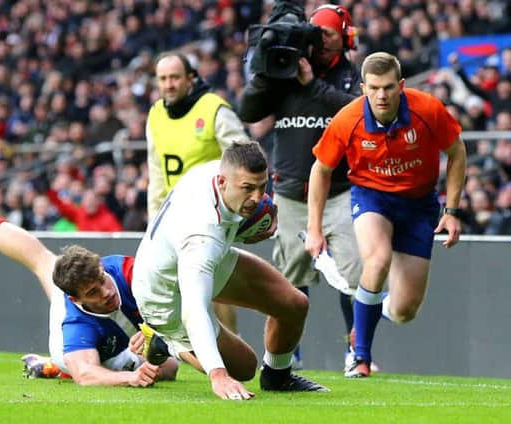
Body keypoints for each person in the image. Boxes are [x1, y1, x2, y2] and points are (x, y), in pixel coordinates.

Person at [305, 52, 467, 378]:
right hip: (371, 198)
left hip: (420, 205)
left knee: (405, 311)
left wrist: (451, 211)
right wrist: (314, 228)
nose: (382, 95)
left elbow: (457, 151)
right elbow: (320, 169)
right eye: (375, 88)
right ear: (363, 87)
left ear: (401, 85)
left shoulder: (428, 110)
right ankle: (359, 356)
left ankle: (368, 309)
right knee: (377, 262)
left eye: (389, 87)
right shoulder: (347, 120)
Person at [133, 140, 329, 400]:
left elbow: (224, 219)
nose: (257, 198)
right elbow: (194, 310)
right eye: (248, 188)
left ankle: (277, 377)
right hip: (165, 294)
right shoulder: (202, 237)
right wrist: (218, 375)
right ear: (223, 181)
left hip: (188, 259)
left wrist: (244, 227)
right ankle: (165, 343)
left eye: (262, 186)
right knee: (245, 366)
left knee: (294, 304)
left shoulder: (220, 173)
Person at [0, 185, 178, 387]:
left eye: (102, 280)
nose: (106, 292)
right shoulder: (74, 320)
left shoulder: (126, 269)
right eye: (93, 292)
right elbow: (86, 375)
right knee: (164, 367)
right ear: (76, 299)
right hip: (93, 354)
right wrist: (130, 377)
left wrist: (155, 330)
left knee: (43, 259)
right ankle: (58, 366)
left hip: (124, 333)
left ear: (101, 265)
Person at [238, 3, 363, 370]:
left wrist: (313, 85)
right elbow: (248, 111)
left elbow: (356, 115)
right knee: (290, 278)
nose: (322, 42)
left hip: (339, 190)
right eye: (318, 33)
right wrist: (264, 70)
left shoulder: (350, 77)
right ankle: (287, 353)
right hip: (292, 191)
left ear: (344, 38)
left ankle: (357, 350)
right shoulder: (284, 71)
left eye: (330, 35)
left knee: (353, 272)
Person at [147, 51, 249, 333]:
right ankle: (184, 350)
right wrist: (154, 218)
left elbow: (244, 156)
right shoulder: (155, 114)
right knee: (173, 285)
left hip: (211, 212)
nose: (168, 84)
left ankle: (231, 349)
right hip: (174, 214)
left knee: (213, 287)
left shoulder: (214, 109)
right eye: (163, 79)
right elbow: (156, 171)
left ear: (190, 78)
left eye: (175, 77)